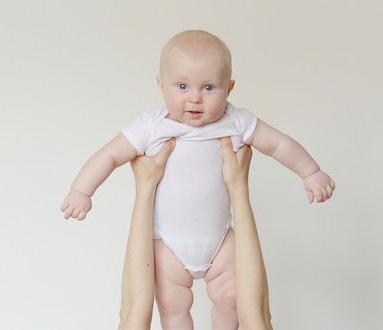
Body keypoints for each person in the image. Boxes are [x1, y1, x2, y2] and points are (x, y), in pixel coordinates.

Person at [62, 29, 334, 329]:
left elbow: (279, 145)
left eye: (208, 87)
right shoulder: (151, 127)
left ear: (229, 88)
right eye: (182, 86)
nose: (195, 98)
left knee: (232, 298)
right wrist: (81, 190)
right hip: (166, 243)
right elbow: (109, 155)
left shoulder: (236, 121)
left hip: (220, 240)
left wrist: (310, 172)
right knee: (171, 306)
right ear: (160, 85)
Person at [118, 137, 272, 330]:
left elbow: (132, 317)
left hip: (188, 243)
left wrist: (145, 189)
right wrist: (238, 188)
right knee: (224, 299)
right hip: (191, 242)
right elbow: (257, 320)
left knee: (173, 303)